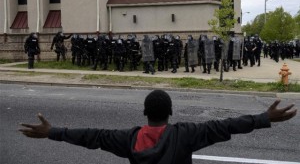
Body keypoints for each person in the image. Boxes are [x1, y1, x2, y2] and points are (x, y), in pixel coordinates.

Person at [19, 90, 297, 164]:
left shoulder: (127, 139)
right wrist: (263, 118)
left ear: (144, 112)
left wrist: (52, 132)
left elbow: (91, 136)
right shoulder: (185, 134)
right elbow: (226, 126)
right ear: (171, 112)